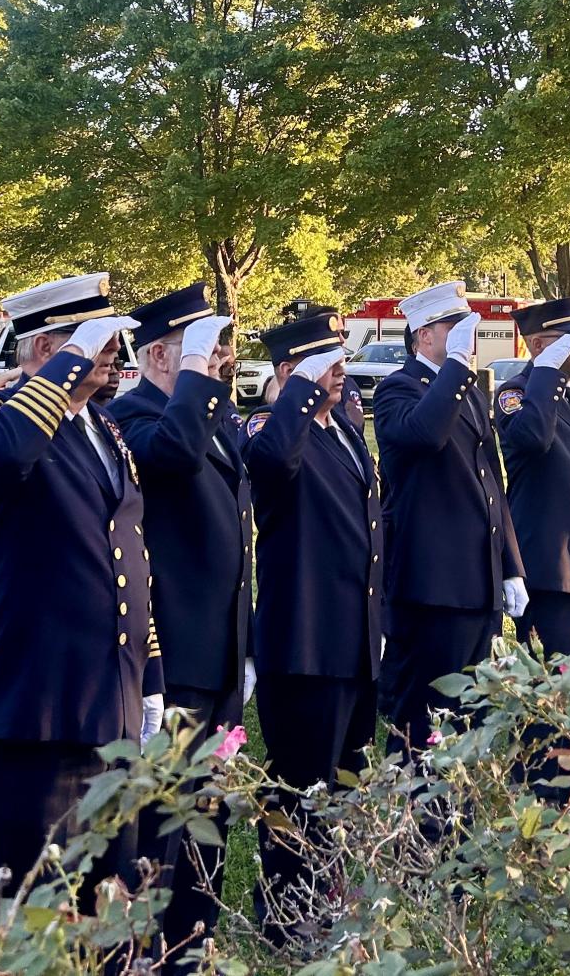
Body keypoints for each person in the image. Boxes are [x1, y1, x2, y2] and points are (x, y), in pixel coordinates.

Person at [0, 275, 159, 964]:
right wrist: (65, 367)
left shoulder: (101, 424)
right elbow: (4, 455)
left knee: (107, 891)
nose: (112, 354)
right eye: (95, 342)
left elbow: (128, 549)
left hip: (111, 694)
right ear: (45, 346)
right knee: (28, 894)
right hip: (38, 699)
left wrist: (148, 669)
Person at [108, 284, 251, 958]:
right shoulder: (130, 415)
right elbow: (173, 457)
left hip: (218, 650)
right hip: (172, 653)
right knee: (159, 818)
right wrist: (193, 377)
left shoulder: (206, 410)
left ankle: (193, 944)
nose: (220, 357)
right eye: (203, 347)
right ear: (160, 354)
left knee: (208, 811)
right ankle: (147, 949)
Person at [240, 308, 382, 942]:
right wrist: (297, 386)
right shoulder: (270, 427)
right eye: (329, 361)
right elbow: (270, 465)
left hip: (352, 639)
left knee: (342, 779)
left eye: (340, 359)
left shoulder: (345, 430)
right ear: (292, 372)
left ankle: (326, 892)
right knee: (298, 785)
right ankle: (284, 908)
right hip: (302, 641)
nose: (342, 370)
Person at [372, 281, 526, 753]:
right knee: (426, 707)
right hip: (432, 583)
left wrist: (511, 567)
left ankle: (451, 810)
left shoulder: (466, 390)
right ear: (423, 335)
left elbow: (491, 483)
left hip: (477, 578)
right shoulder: (396, 389)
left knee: (465, 709)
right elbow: (425, 434)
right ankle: (415, 812)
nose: (465, 336)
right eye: (452, 327)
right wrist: (457, 368)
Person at [494, 298, 570, 657]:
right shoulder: (515, 393)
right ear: (537, 345)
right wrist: (546, 371)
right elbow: (534, 438)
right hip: (551, 568)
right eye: (568, 337)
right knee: (551, 691)